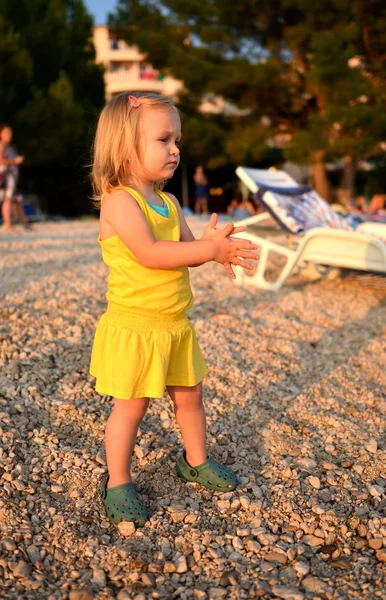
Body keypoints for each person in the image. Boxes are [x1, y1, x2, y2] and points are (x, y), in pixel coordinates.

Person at [89, 92, 259, 526]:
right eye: (163, 139)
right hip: (136, 326)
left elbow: (184, 249)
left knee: (191, 397)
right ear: (124, 146)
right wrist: (207, 248)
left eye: (177, 139)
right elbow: (149, 252)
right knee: (131, 407)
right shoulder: (120, 201)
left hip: (174, 324)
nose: (175, 149)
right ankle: (118, 480)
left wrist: (214, 250)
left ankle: (195, 460)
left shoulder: (170, 202)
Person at [0, 125, 29, 231]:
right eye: (6, 132)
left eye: (10, 132)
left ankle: (25, 224)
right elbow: (1, 161)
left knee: (17, 200)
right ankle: (8, 225)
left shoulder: (10, 147)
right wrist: (15, 161)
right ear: (1, 134)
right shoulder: (1, 145)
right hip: (6, 177)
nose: (9, 135)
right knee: (8, 199)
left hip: (12, 178)